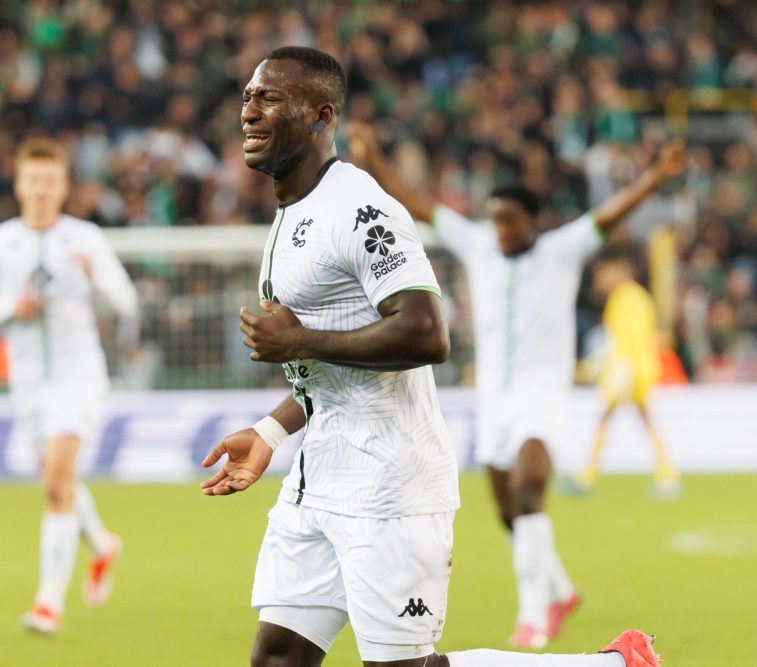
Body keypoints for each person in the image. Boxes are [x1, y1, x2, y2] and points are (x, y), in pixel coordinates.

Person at [201, 45, 662, 667]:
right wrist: (269, 430)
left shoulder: (361, 209)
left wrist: (297, 341)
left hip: (391, 483)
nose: (249, 112)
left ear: (320, 115)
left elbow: (425, 334)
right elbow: (333, 370)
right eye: (248, 97)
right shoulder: (294, 212)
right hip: (319, 478)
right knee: (278, 659)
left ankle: (605, 666)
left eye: (269, 98)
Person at [348, 122, 686, 650]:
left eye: (509, 221)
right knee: (510, 513)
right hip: (494, 401)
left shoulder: (560, 249)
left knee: (530, 492)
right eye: (496, 221)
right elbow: (418, 202)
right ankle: (561, 588)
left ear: (532, 221)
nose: (501, 230)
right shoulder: (479, 244)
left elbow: (611, 214)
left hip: (542, 397)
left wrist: (656, 176)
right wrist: (373, 160)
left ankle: (534, 616)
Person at [0, 137, 137, 634]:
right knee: (62, 483)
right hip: (27, 385)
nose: (40, 189)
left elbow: (126, 301)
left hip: (79, 378)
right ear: (18, 184)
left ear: (63, 187)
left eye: (49, 181)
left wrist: (94, 279)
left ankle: (47, 603)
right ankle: (102, 545)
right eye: (32, 180)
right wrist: (7, 310)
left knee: (54, 483)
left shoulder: (85, 239)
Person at [573, 249, 680, 497]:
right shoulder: (634, 297)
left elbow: (631, 339)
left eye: (603, 275)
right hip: (636, 369)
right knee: (641, 421)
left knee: (610, 420)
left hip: (629, 371)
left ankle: (587, 477)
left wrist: (620, 369)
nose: (600, 281)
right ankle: (666, 475)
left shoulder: (626, 298)